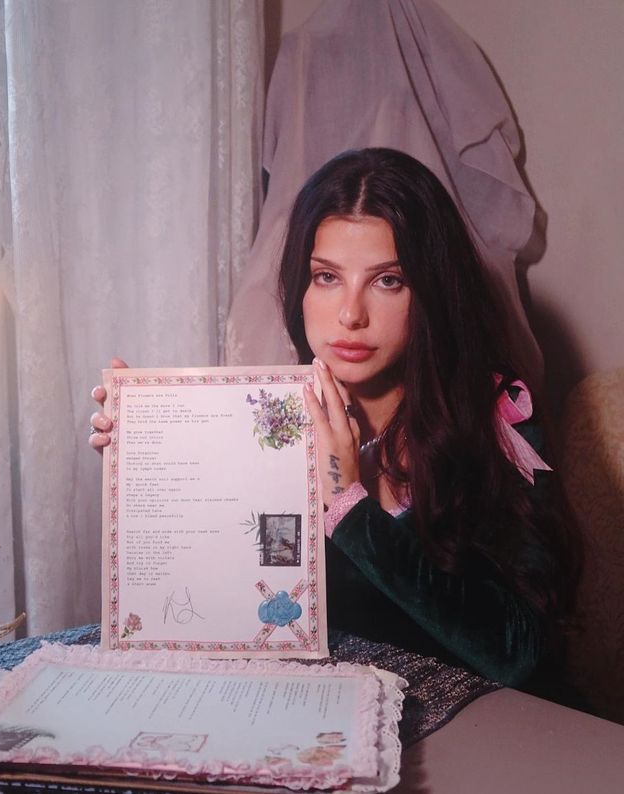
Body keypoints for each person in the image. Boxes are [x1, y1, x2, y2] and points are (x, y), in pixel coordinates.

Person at [90, 148, 579, 690]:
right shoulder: (269, 419)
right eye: (326, 277)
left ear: (434, 291)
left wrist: (348, 502)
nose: (350, 314)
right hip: (316, 721)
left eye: (387, 280)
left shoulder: (495, 415)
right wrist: (154, 469)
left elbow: (522, 653)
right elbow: (227, 612)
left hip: (477, 733)